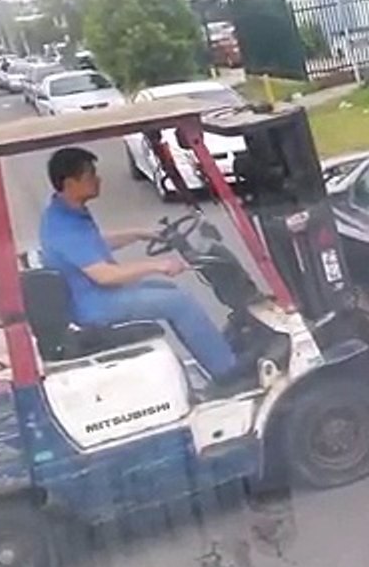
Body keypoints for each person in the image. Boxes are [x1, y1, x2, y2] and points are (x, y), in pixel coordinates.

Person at [38, 147, 247, 389]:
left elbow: (93, 244)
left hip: (92, 295)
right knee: (179, 302)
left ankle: (217, 353)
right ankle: (228, 372)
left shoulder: (66, 213)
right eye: (90, 175)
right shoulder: (64, 227)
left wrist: (140, 234)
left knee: (167, 289)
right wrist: (157, 265)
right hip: (93, 305)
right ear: (69, 183)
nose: (98, 179)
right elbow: (105, 276)